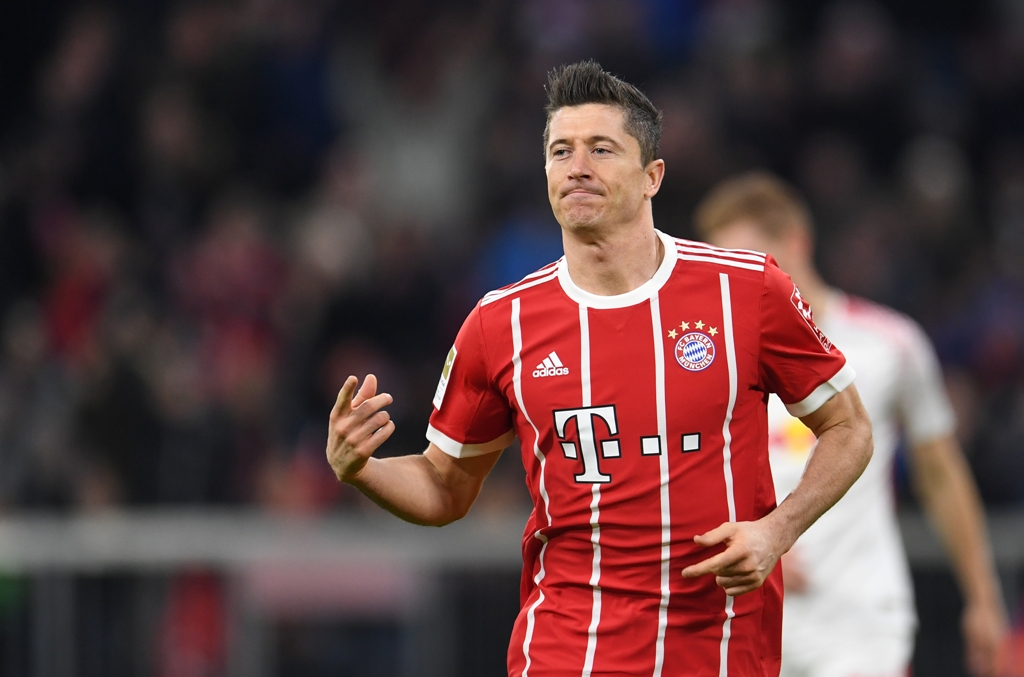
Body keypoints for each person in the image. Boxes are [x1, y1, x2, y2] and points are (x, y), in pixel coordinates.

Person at [326, 62, 873, 677]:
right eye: (561, 150)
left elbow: (849, 428)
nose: (577, 166)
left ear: (652, 177)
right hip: (568, 646)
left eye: (601, 149)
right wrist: (361, 470)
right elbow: (444, 486)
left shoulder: (746, 291)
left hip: (719, 646)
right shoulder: (498, 324)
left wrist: (777, 532)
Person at [694, 171, 1008, 677]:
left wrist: (983, 598)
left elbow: (942, 475)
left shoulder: (888, 343)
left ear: (795, 244)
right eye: (724, 262)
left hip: (859, 621)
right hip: (747, 616)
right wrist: (758, 536)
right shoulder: (711, 359)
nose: (734, 277)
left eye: (747, 259)